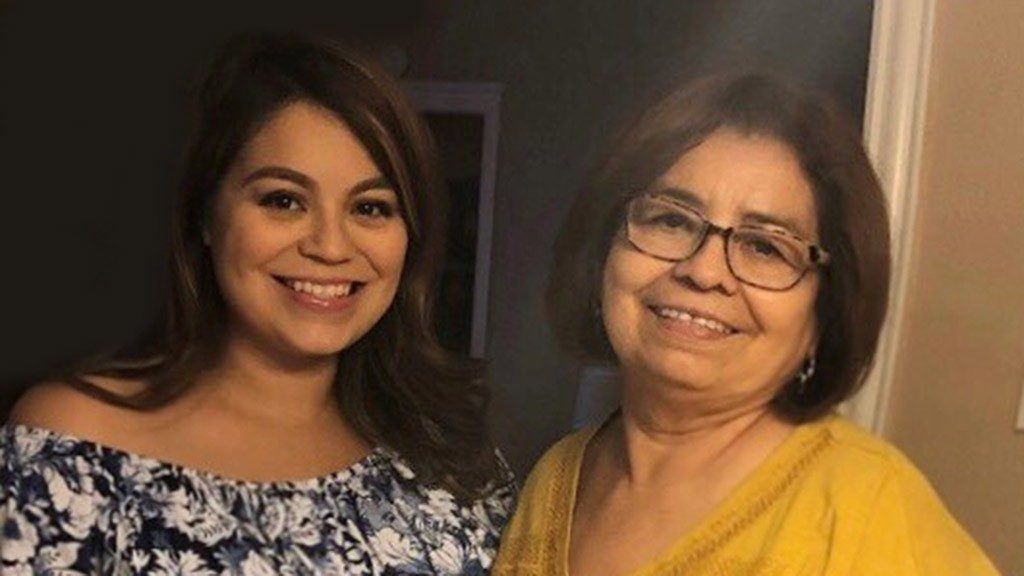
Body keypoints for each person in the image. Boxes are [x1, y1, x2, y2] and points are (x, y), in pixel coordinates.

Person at [1, 32, 514, 575]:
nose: (331, 247)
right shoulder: (73, 442)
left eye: (370, 207)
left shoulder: (453, 456)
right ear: (205, 215)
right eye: (284, 200)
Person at [493, 73, 1000, 575]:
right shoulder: (556, 475)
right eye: (671, 220)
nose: (704, 271)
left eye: (765, 247)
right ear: (605, 250)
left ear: (825, 312)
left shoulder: (869, 506)